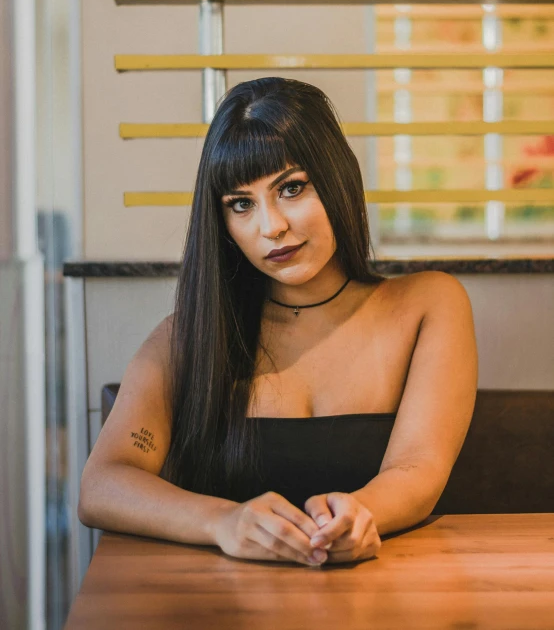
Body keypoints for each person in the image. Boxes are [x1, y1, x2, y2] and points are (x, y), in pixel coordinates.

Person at [78, 77, 478, 567]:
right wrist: (223, 522)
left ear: (337, 179)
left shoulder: (427, 304)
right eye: (241, 204)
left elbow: (417, 468)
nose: (271, 227)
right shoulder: (193, 334)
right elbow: (102, 484)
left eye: (291, 188)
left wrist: (361, 514)